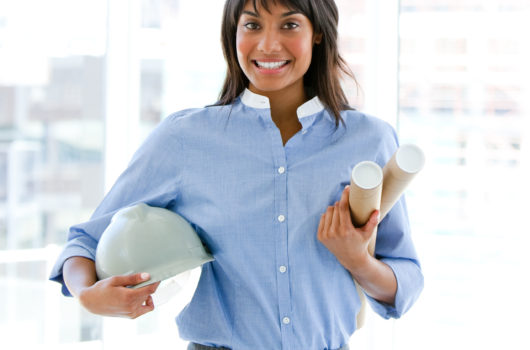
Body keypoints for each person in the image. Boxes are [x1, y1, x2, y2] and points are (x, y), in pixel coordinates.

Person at [49, 0, 424, 349]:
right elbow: (84, 241)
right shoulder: (185, 138)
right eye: (252, 25)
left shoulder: (369, 139)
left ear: (318, 33)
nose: (268, 44)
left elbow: (403, 281)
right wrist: (88, 296)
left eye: (289, 25)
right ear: (234, 33)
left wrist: (357, 260)